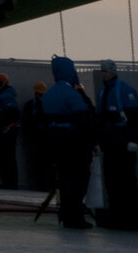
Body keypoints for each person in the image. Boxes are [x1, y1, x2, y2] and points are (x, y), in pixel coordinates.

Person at [43, 56, 99, 231]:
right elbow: (84, 122)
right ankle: (76, 218)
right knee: (78, 182)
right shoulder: (72, 95)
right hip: (75, 147)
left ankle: (66, 216)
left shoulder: (48, 95)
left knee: (65, 182)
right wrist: (92, 143)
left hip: (57, 146)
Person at [96, 62, 138, 230]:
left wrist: (133, 139)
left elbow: (135, 117)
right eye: (102, 71)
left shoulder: (124, 90)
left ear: (113, 72)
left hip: (122, 139)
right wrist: (101, 141)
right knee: (111, 179)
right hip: (110, 140)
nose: (104, 74)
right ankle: (116, 216)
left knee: (126, 180)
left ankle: (130, 216)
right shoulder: (103, 91)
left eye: (106, 71)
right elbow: (100, 120)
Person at [0, 76, 23, 191]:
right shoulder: (3, 96)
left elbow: (13, 112)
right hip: (5, 129)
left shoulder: (5, 97)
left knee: (6, 157)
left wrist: (5, 125)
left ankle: (10, 182)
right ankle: (8, 182)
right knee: (5, 157)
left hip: (7, 131)